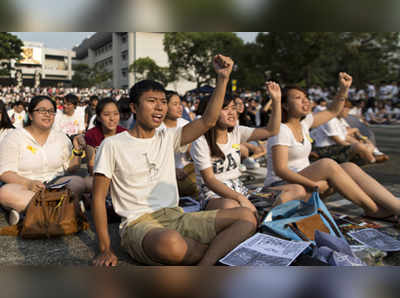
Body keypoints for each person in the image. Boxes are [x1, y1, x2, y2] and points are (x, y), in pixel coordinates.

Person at [92, 54, 257, 266]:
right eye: (151, 101)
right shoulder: (112, 144)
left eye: (163, 102)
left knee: (246, 217)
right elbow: (98, 198)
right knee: (171, 243)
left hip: (177, 217)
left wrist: (223, 78)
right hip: (139, 224)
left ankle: (205, 262)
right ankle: (218, 252)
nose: (160, 107)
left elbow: (207, 121)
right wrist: (105, 249)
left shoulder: (168, 137)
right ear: (134, 107)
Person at [264, 73, 400, 221]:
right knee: (327, 164)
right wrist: (313, 184)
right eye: (298, 98)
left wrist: (343, 88)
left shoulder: (304, 124)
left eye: (306, 98)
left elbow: (332, 111)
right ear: (284, 105)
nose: (305, 101)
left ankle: (395, 206)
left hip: (306, 183)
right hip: (282, 187)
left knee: (349, 167)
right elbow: (281, 170)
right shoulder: (280, 130)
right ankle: (374, 210)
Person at [190, 82, 306, 213]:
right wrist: (241, 199)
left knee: (297, 190)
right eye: (225, 109)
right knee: (231, 206)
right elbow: (210, 180)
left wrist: (276, 100)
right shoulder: (200, 139)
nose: (232, 113)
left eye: (233, 108)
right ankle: (260, 217)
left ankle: (266, 219)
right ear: (210, 112)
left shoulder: (236, 131)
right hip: (214, 195)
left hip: (240, 189)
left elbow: (271, 131)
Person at [0, 96, 89, 225]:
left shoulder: (61, 137)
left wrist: (77, 150)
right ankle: (65, 210)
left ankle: (32, 213)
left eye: (51, 111)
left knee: (78, 182)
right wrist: (28, 183)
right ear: (30, 115)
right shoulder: (14, 137)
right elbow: (4, 172)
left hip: (55, 185)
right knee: (4, 192)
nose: (47, 115)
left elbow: (72, 168)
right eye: (42, 110)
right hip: (25, 187)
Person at [311, 100, 388, 165]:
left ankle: (367, 156)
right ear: (340, 109)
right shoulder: (330, 120)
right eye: (347, 110)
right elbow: (338, 140)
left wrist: (361, 143)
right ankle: (372, 160)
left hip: (335, 146)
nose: (348, 112)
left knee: (367, 145)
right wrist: (354, 146)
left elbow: (345, 136)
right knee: (359, 146)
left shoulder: (339, 120)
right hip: (325, 148)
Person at [160, 90, 198, 198]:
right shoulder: (158, 129)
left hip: (188, 169)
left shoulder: (185, 124)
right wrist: (173, 170)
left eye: (180, 104)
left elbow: (192, 154)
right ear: (165, 107)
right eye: (175, 104)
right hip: (169, 174)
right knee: (193, 186)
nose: (180, 107)